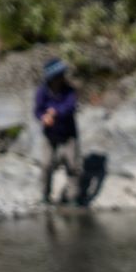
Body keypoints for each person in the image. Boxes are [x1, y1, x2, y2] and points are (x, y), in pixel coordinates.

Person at [35, 58, 80, 205]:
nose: (61, 78)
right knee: (46, 164)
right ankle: (45, 196)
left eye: (62, 75)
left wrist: (55, 112)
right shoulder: (42, 91)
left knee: (72, 165)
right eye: (58, 76)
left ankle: (73, 197)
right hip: (50, 134)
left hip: (68, 133)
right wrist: (43, 117)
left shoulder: (69, 90)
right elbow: (37, 111)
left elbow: (70, 107)